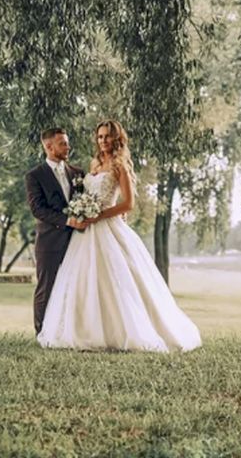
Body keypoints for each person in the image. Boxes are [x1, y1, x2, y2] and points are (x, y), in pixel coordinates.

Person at [37, 120, 202, 352]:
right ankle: (86, 330)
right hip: (86, 232)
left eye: (107, 136)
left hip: (108, 227)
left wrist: (99, 215)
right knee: (84, 281)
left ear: (117, 139)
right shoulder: (94, 164)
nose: (103, 141)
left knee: (117, 280)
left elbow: (128, 203)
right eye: (100, 136)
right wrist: (83, 212)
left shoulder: (119, 166)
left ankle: (123, 332)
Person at [25, 128, 86, 334]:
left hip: (78, 242)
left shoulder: (78, 173)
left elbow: (89, 202)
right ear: (49, 146)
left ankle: (68, 332)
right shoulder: (35, 176)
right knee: (46, 289)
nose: (68, 146)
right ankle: (42, 333)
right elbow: (38, 209)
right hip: (49, 243)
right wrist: (68, 221)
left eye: (67, 142)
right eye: (63, 143)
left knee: (74, 287)